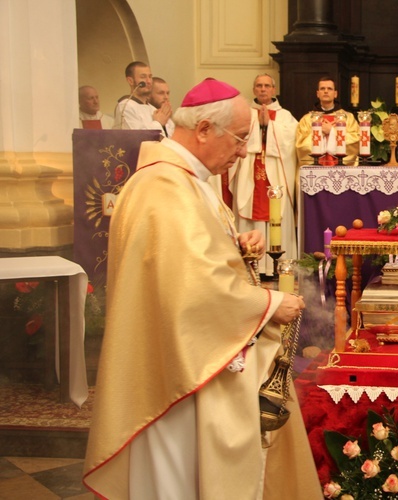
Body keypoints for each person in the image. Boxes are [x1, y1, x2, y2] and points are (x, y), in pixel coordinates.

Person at [83, 78, 321, 499]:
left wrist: (237, 246)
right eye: (240, 138)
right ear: (205, 129)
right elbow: (192, 288)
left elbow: (188, 262)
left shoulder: (184, 179)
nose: (244, 151)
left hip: (186, 356)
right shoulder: (164, 187)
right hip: (177, 378)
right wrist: (269, 303)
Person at [223, 74, 299, 278]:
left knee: (277, 212)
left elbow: (292, 141)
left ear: (274, 89)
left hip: (275, 172)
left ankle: (278, 266)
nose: (263, 89)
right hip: (249, 170)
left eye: (267, 86)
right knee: (249, 208)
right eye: (259, 86)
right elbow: (236, 136)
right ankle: (251, 265)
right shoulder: (244, 113)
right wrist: (258, 125)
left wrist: (269, 126)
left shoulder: (285, 116)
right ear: (254, 89)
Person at [296, 76, 359, 166]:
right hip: (315, 171)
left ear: (335, 94)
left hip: (340, 169)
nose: (326, 91)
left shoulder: (347, 117)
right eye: (322, 88)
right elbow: (301, 145)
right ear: (317, 94)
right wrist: (319, 133)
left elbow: (355, 141)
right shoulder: (307, 119)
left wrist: (332, 131)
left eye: (329, 88)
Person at [113, 61, 172, 134]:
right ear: (130, 81)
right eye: (143, 77)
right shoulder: (125, 106)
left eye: (150, 77)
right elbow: (136, 137)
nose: (149, 81)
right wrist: (158, 123)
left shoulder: (153, 109)